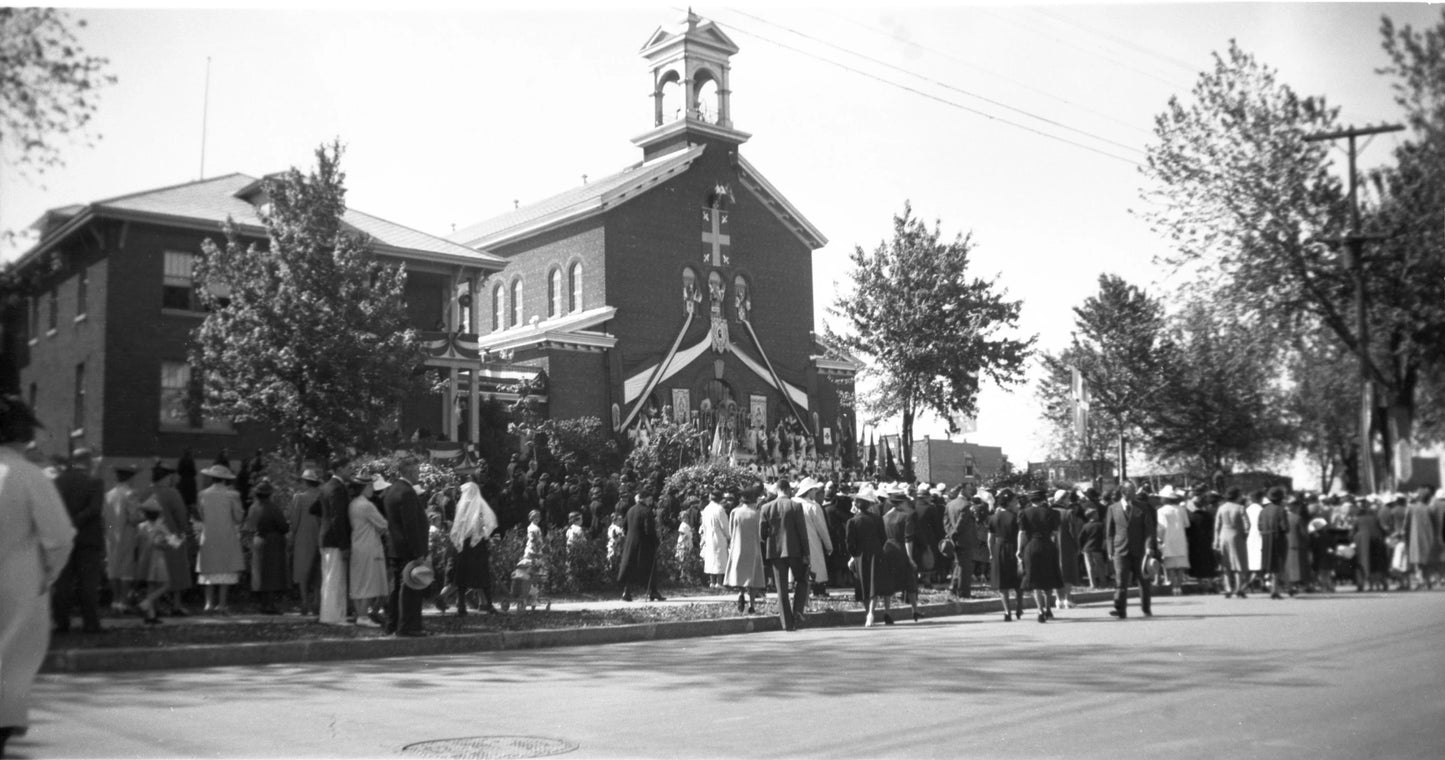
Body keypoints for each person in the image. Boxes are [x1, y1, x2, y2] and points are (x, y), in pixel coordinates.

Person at [0, 396, 76, 756]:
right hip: (14, 587)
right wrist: (47, 574)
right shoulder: (28, 474)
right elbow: (60, 538)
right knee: (7, 670)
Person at [51, 448, 106, 633]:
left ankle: (62, 623)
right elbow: (94, 509)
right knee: (88, 583)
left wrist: (67, 525)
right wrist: (75, 523)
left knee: (63, 583)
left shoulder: (58, 481)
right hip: (88, 538)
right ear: (88, 461)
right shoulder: (95, 482)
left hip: (64, 538)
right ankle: (90, 623)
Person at [382, 459, 431, 636]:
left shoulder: (391, 490)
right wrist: (418, 552)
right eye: (417, 470)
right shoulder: (407, 492)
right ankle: (409, 626)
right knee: (411, 588)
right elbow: (411, 525)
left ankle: (392, 624)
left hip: (395, 547)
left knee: (396, 589)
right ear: (409, 472)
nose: (418, 474)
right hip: (409, 550)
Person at [760, 479, 811, 630]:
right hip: (795, 550)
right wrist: (806, 553)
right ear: (788, 490)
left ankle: (787, 624)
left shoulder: (766, 508)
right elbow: (802, 532)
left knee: (781, 589)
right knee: (802, 581)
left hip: (775, 552)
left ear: (777, 491)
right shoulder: (795, 506)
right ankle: (797, 611)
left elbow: (762, 534)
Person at [145, 462, 194, 616]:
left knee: (154, 574)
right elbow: (181, 515)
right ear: (167, 476)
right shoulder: (172, 493)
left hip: (150, 537)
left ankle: (155, 605)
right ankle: (176, 605)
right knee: (176, 570)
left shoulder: (147, 492)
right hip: (171, 536)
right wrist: (186, 531)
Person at [195, 464, 244, 614]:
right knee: (226, 570)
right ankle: (222, 604)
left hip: (208, 535)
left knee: (208, 569)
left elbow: (201, 515)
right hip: (226, 535)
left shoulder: (202, 494)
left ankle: (208, 603)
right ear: (225, 480)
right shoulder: (232, 495)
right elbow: (238, 517)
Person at [1105, 489, 1158, 619]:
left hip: (1140, 551)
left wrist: (1149, 546)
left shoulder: (1143, 507)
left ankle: (1146, 608)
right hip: (1120, 550)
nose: (1131, 494)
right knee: (1120, 581)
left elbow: (1149, 530)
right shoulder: (1113, 508)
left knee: (1143, 581)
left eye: (1133, 491)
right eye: (1128, 491)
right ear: (1122, 493)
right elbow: (1109, 532)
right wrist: (1110, 550)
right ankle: (1120, 609)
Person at [449, 478, 498, 615]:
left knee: (462, 575)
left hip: (464, 543)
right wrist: (483, 533)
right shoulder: (479, 504)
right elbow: (488, 522)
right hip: (477, 543)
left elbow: (458, 525)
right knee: (482, 574)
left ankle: (461, 606)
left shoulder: (462, 505)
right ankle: (487, 604)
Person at [316, 456, 354, 625]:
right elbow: (338, 518)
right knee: (335, 578)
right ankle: (333, 617)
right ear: (339, 469)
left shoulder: (325, 487)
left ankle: (329, 614)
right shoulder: (338, 488)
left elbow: (315, 509)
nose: (350, 471)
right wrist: (344, 544)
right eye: (348, 468)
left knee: (329, 577)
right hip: (335, 540)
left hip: (326, 536)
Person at [348, 475, 390, 625]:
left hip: (357, 544)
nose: (372, 489)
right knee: (369, 580)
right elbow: (383, 524)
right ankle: (363, 615)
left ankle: (360, 613)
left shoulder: (353, 504)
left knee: (358, 581)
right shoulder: (367, 505)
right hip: (369, 545)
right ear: (364, 488)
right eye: (370, 487)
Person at [844, 484, 888, 626]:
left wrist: (853, 555)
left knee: (862, 584)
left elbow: (849, 543)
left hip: (860, 555)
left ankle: (867, 612)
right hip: (875, 553)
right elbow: (883, 538)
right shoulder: (877, 519)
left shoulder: (852, 521)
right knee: (873, 584)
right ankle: (871, 612)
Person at [103, 463, 143, 614]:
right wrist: (143, 516)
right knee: (126, 568)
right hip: (127, 533)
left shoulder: (108, 494)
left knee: (113, 567)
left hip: (111, 534)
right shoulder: (130, 494)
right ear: (130, 477)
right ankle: (124, 601)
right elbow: (133, 518)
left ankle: (115, 600)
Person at [1018, 490, 1063, 623]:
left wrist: (1018, 549)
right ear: (1043, 499)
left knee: (1034, 579)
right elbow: (1055, 533)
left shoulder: (1024, 513)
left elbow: (1021, 533)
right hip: (1048, 545)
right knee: (1048, 577)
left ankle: (1039, 610)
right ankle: (1048, 607)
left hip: (1031, 546)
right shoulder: (1053, 513)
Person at [879, 487, 922, 625]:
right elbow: (908, 538)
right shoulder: (906, 516)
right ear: (901, 503)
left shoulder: (884, 517)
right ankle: (914, 609)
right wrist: (910, 558)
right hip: (901, 549)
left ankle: (887, 612)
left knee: (888, 582)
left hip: (888, 550)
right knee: (909, 580)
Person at [134, 501, 180, 624]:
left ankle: (150, 615)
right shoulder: (160, 526)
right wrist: (178, 540)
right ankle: (147, 602)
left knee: (151, 585)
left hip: (145, 559)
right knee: (166, 585)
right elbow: (173, 542)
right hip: (158, 559)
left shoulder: (141, 526)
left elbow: (137, 543)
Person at [725, 484, 767, 614]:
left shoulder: (735, 512)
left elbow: (731, 532)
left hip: (738, 547)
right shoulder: (757, 514)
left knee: (741, 574)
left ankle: (741, 593)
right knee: (753, 577)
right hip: (753, 548)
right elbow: (761, 535)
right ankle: (752, 605)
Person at [287, 468, 323, 617]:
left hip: (302, 538)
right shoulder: (321, 496)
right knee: (317, 573)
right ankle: (316, 602)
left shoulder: (299, 498)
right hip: (319, 537)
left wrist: (292, 536)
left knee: (302, 571)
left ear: (305, 482)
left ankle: (304, 603)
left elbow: (294, 521)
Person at [618, 490, 663, 602]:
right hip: (644, 543)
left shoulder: (630, 510)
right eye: (650, 499)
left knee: (630, 567)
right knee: (650, 566)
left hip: (631, 542)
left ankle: (626, 592)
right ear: (644, 499)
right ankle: (653, 591)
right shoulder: (646, 511)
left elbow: (624, 526)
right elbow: (649, 530)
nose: (651, 501)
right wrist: (656, 541)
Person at [795, 478, 834, 599]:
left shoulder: (793, 503)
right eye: (814, 490)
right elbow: (822, 529)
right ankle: (818, 590)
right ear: (809, 491)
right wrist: (829, 545)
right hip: (812, 541)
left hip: (797, 542)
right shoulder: (813, 506)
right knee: (816, 566)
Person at [989, 489, 1024, 621]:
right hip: (1014, 547)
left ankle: (1006, 611)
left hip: (999, 548)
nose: (1017, 504)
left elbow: (990, 538)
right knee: (1018, 580)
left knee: (1002, 583)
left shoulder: (993, 517)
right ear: (1009, 503)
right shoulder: (1016, 516)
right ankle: (1019, 607)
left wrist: (991, 552)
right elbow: (1021, 534)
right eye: (1015, 501)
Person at [1214, 488, 1252, 598]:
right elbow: (1247, 525)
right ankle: (1238, 588)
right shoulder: (1240, 508)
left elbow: (1217, 526)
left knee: (1225, 564)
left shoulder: (1221, 508)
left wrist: (1216, 540)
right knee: (1238, 563)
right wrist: (1244, 536)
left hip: (1223, 536)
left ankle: (1228, 587)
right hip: (1236, 536)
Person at [1402, 487, 1441, 591]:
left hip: (1415, 538)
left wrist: (1404, 536)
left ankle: (1421, 580)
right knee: (1426, 561)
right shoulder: (1429, 509)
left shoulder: (1411, 508)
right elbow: (1436, 525)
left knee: (1418, 562)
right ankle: (1426, 580)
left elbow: (1406, 525)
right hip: (1428, 537)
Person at [1156, 485, 1191, 595]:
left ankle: (1174, 587)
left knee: (1170, 566)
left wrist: (1159, 539)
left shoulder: (1161, 511)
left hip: (1168, 539)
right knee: (1180, 565)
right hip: (1180, 539)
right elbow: (1187, 524)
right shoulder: (1181, 509)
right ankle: (1179, 587)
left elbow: (1161, 527)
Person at [944, 486, 979, 599]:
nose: (971, 493)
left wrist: (950, 533)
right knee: (965, 567)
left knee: (958, 564)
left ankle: (954, 589)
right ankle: (963, 592)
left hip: (954, 539)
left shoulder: (950, 504)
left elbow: (946, 521)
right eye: (969, 490)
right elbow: (961, 523)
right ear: (962, 491)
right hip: (964, 539)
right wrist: (954, 533)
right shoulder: (966, 505)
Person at [1257, 487, 1290, 600]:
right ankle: (1275, 590)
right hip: (1277, 537)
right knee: (1277, 564)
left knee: (1270, 564)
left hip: (1266, 538)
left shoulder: (1263, 510)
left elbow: (1259, 526)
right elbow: (1285, 527)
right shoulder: (1281, 510)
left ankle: (1276, 588)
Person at [1185, 488, 1219, 594]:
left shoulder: (1203, 514)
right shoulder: (1195, 513)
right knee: (1201, 565)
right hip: (1197, 542)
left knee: (1204, 565)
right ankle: (1205, 585)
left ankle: (1207, 585)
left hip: (1201, 542)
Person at [1054, 490, 1084, 608]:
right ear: (1062, 499)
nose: (1068, 501)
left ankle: (1058, 599)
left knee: (1055, 571)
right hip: (1066, 545)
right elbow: (1073, 532)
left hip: (1052, 544)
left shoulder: (1049, 511)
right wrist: (1077, 546)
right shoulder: (1068, 513)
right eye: (1067, 498)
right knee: (1068, 571)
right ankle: (1067, 599)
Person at [1351, 502, 1388, 592]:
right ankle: (1382, 583)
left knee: (1361, 565)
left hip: (1363, 546)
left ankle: (1362, 584)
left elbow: (1352, 533)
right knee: (1376, 565)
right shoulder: (1375, 518)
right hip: (1377, 544)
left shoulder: (1357, 520)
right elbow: (1382, 530)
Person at [699, 489, 730, 589]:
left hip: (708, 537)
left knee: (711, 559)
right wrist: (729, 536)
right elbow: (724, 525)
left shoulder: (706, 509)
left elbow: (703, 526)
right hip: (718, 537)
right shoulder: (720, 509)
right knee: (720, 559)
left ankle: (712, 582)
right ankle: (719, 583)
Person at [1283, 495, 1312, 597]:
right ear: (1295, 507)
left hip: (1286, 544)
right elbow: (1304, 534)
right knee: (1298, 567)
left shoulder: (1284, 517)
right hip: (1298, 545)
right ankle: (1296, 586)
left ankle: (1289, 586)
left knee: (1289, 567)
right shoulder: (1298, 518)